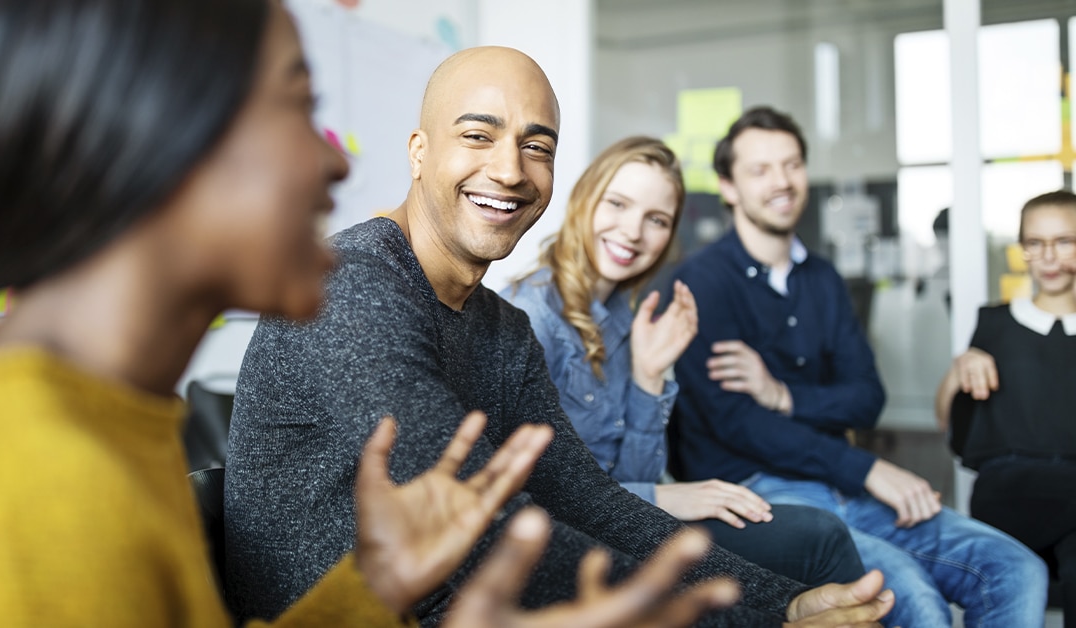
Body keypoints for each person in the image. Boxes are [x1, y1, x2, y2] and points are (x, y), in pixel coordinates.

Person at [0, 0, 749, 626]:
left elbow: (576, 492)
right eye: (299, 110)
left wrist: (367, 594)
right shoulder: (19, 493)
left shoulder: (107, 425)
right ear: (163, 147)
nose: (334, 168)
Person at [227, 47, 894, 627]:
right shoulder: (354, 285)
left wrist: (780, 604)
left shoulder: (502, 329)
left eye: (537, 146)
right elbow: (484, 531)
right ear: (419, 152)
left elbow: (589, 499)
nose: (512, 170)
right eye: (479, 136)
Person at [664, 104, 1049, 627]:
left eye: (792, 164)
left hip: (841, 486)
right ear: (728, 187)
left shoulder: (822, 278)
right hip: (762, 494)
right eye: (760, 170)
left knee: (1016, 567)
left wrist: (784, 395)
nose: (781, 181)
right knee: (912, 598)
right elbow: (739, 426)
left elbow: (867, 398)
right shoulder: (702, 284)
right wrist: (868, 468)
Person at [500, 135, 865, 587]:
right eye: (618, 204)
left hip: (620, 527)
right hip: (565, 546)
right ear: (584, 200)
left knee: (817, 537)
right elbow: (532, 492)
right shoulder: (530, 317)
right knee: (821, 539)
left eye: (656, 219)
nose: (633, 232)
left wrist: (648, 376)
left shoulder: (623, 319)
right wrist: (665, 496)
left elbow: (631, 476)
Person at [937, 190, 1076, 626]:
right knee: (1005, 584)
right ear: (1023, 250)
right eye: (1035, 243)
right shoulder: (994, 323)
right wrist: (960, 369)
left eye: (1065, 241)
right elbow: (948, 420)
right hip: (1008, 492)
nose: (1049, 257)